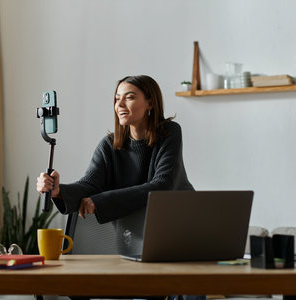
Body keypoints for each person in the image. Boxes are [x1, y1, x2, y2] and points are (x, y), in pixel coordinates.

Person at [37, 75, 193, 255]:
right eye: (117, 99)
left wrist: (101, 201)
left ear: (150, 103)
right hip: (133, 237)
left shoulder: (170, 133)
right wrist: (58, 191)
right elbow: (90, 184)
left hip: (177, 232)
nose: (119, 105)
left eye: (129, 97)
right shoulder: (109, 145)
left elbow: (162, 185)